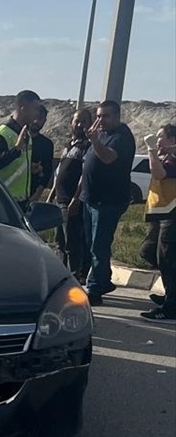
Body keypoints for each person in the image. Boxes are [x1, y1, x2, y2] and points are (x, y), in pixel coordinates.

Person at [76, 100, 136, 306]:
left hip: (108, 201)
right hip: (90, 198)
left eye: (106, 116)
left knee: (99, 246)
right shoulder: (99, 134)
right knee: (91, 243)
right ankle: (103, 280)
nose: (101, 120)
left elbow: (108, 158)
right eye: (99, 116)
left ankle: (95, 289)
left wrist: (94, 141)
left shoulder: (122, 136)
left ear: (117, 116)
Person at [138, 124, 176, 321]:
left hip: (172, 215)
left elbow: (159, 174)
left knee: (168, 260)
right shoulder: (165, 156)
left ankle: (171, 307)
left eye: (160, 137)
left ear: (172, 140)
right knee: (148, 251)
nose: (157, 139)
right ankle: (171, 294)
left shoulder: (174, 158)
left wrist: (152, 149)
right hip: (161, 214)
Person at [49, 107, 92, 280]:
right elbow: (58, 173)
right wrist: (51, 196)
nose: (80, 125)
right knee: (59, 241)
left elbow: (84, 175)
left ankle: (75, 276)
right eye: (77, 121)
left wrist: (76, 198)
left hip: (71, 202)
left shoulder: (87, 146)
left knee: (71, 242)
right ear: (71, 123)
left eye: (84, 121)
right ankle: (61, 275)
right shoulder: (69, 146)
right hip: (59, 201)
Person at [0, 89, 41, 207]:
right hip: (3, 200)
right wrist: (16, 150)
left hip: (21, 200)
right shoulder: (2, 134)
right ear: (23, 108)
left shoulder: (26, 133)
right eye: (35, 109)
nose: (37, 113)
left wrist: (29, 167)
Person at [29, 104, 55, 200]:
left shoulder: (46, 144)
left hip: (31, 194)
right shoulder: (16, 138)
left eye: (40, 118)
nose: (36, 121)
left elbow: (47, 172)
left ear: (44, 121)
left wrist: (37, 195)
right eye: (34, 117)